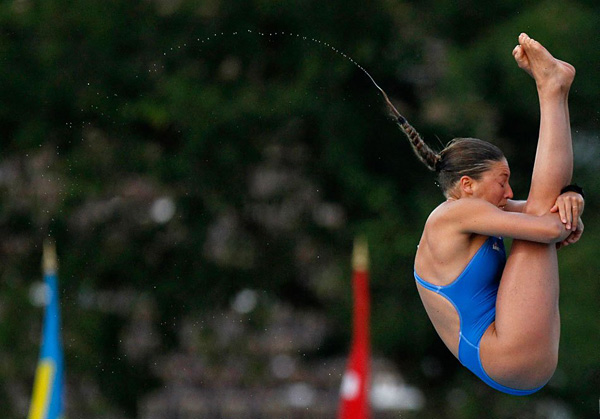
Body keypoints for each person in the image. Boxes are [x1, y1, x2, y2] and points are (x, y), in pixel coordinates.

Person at [406, 33, 584, 395]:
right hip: (506, 353)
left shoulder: (473, 212)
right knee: (539, 208)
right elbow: (550, 226)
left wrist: (570, 203)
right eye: (502, 181)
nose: (508, 192)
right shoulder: (451, 216)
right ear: (468, 185)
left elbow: (549, 216)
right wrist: (565, 211)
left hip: (512, 360)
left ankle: (553, 88)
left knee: (540, 205)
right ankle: (552, 89)